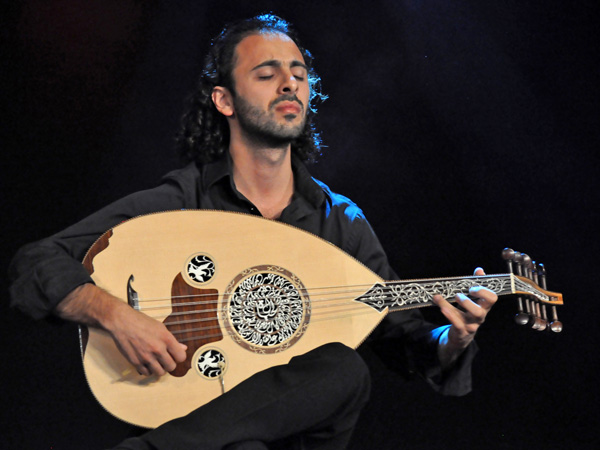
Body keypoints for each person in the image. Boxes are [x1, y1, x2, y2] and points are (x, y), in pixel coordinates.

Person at [8, 14, 497, 450]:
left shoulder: (339, 220)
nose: (290, 84)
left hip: (298, 438)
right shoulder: (187, 201)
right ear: (224, 100)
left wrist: (452, 340)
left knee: (345, 370)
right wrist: (113, 312)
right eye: (267, 74)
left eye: (299, 74)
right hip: (207, 418)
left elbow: (403, 336)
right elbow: (36, 262)